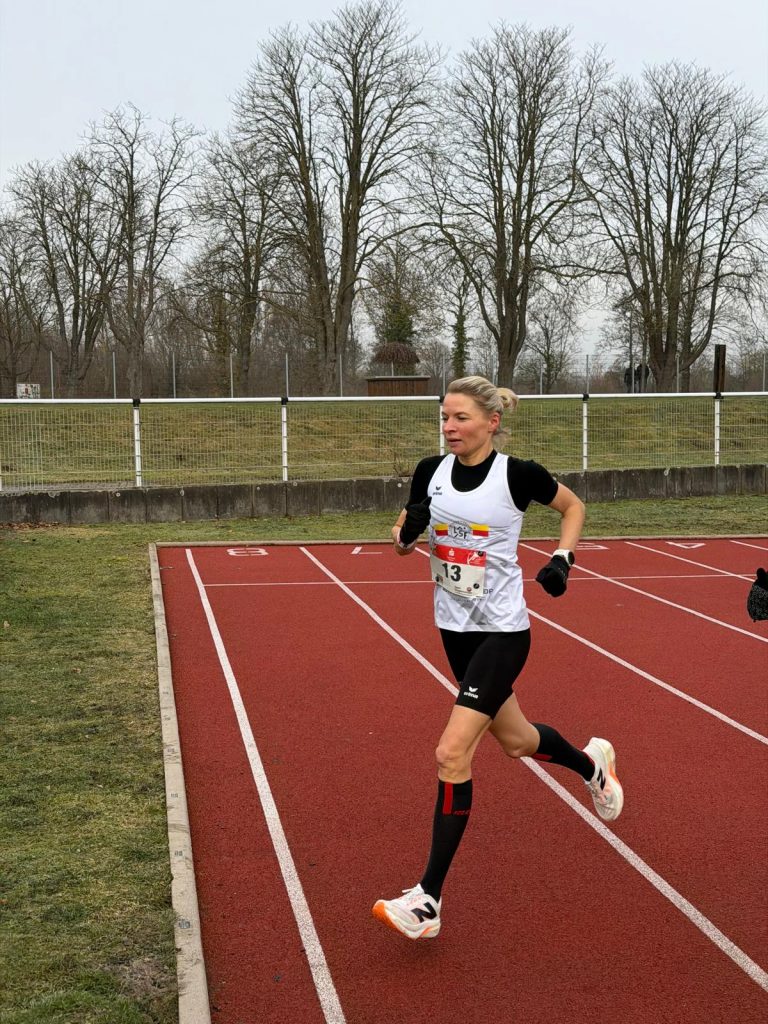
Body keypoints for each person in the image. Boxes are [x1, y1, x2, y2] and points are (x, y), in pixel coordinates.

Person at [372, 375, 624, 941]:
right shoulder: (428, 472)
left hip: (504, 632)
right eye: (444, 418)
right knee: (516, 743)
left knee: (451, 752)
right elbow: (401, 540)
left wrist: (563, 559)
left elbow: (574, 506)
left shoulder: (519, 474)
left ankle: (428, 900)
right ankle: (591, 764)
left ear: (491, 422)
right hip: (453, 630)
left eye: (460, 418)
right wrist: (406, 532)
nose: (449, 427)